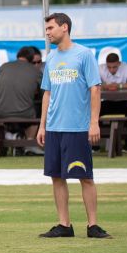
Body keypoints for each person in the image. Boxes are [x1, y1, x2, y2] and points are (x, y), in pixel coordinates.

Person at [36, 13, 110, 240]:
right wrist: (42, 126)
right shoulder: (51, 59)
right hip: (54, 128)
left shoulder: (84, 54)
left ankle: (93, 225)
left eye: (50, 28)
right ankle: (64, 225)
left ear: (64, 27)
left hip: (77, 128)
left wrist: (93, 122)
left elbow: (95, 89)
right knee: (56, 177)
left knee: (84, 177)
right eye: (46, 29)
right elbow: (47, 93)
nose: (47, 32)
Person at [0, 46, 44, 146]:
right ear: (31, 59)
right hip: (26, 114)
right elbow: (43, 94)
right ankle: (28, 143)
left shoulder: (3, 67)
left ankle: (8, 136)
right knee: (39, 112)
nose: (36, 64)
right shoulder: (36, 72)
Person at [98, 52, 127, 117]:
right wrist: (105, 86)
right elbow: (93, 84)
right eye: (109, 67)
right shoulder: (100, 68)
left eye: (114, 67)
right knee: (94, 110)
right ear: (106, 64)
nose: (111, 70)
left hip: (124, 101)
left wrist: (119, 86)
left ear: (119, 64)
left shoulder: (126, 67)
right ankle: (98, 126)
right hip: (107, 101)